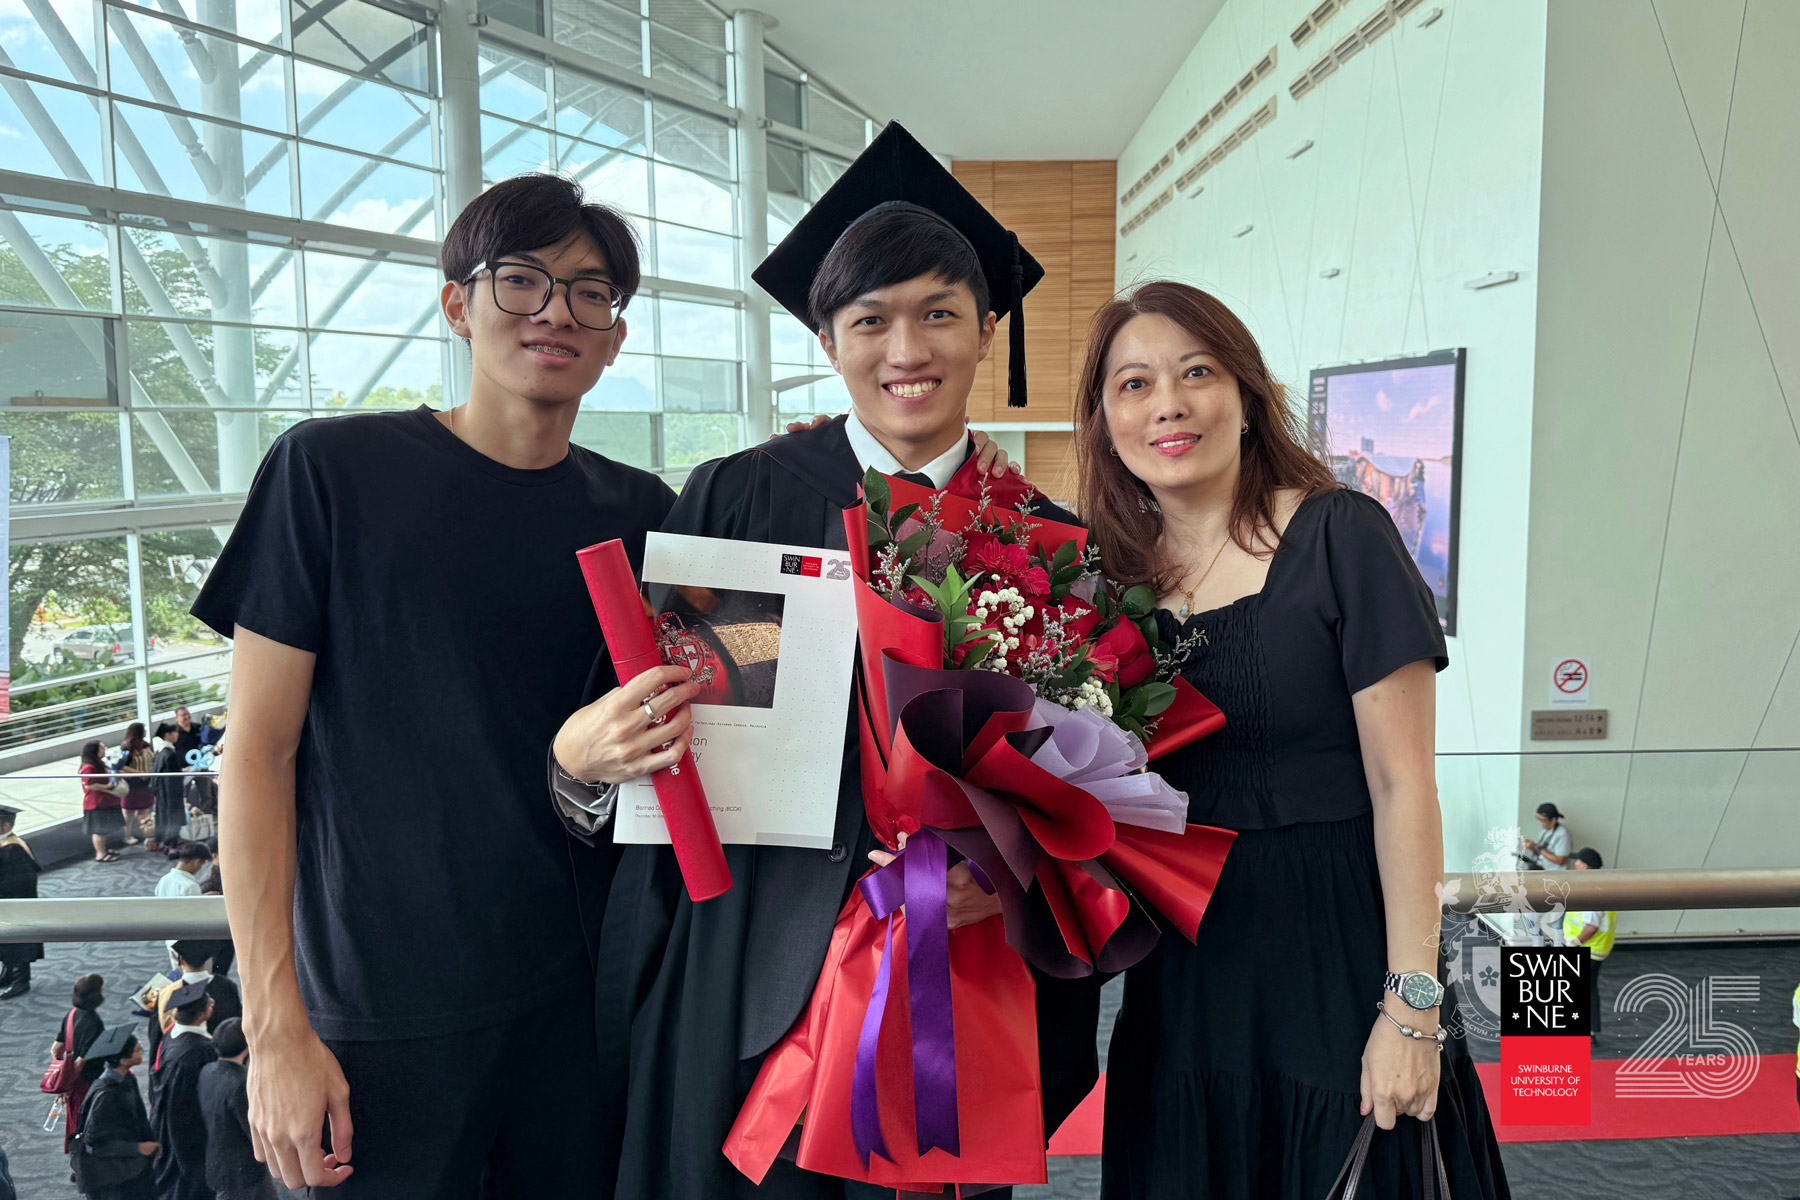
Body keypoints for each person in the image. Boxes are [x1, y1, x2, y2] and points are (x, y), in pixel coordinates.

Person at [550, 121, 1077, 1200]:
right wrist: (586, 759)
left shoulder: (1050, 538)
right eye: (870, 320)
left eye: (939, 314)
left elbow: (1090, 789)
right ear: (827, 342)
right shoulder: (737, 496)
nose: (906, 350)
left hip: (961, 977)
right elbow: (639, 731)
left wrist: (1016, 873)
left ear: (987, 329)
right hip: (749, 964)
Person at [188, 172, 677, 1198]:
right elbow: (257, 755)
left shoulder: (637, 513)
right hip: (378, 1016)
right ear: (457, 302)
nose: (556, 312)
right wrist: (275, 1028)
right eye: (522, 281)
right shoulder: (332, 473)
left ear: (616, 336)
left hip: (577, 1007)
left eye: (591, 293)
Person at [1069, 281, 1509, 1199]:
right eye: (1134, 384)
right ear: (1106, 416)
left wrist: (1412, 1003)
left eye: (1197, 373)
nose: (1169, 405)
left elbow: (1403, 787)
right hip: (1186, 972)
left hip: (1338, 950)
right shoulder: (1106, 580)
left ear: (1245, 393)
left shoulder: (1340, 535)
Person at [74, 1025, 159, 1199]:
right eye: (136, 1049)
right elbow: (94, 1143)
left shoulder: (126, 1077)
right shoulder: (106, 1096)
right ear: (123, 1059)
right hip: (113, 1178)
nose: (142, 1048)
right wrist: (138, 1148)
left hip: (131, 1168)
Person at [151, 980, 217, 1200]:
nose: (212, 1004)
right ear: (201, 1015)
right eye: (209, 1004)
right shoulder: (198, 1050)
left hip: (167, 1120)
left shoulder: (171, 1036)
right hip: (190, 1128)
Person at [198, 1018, 275, 1200]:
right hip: (243, 1171)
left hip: (216, 1161)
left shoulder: (207, 1070)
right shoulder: (241, 1083)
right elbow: (252, 1128)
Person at [1562, 848, 1616, 1036]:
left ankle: (1586, 1027)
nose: (1575, 864)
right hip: (1597, 948)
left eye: (1577, 861)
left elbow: (1591, 926)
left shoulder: (1592, 890)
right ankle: (1591, 1027)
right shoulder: (1605, 885)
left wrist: (1574, 943)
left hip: (1587, 949)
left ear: (1584, 865)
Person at [53, 974, 109, 1152]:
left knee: (74, 1122)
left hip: (74, 1083)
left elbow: (56, 1048)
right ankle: (83, 1165)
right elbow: (81, 1062)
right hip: (87, 1082)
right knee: (87, 1123)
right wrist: (67, 1084)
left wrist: (61, 1076)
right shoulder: (93, 1022)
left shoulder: (71, 1015)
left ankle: (77, 1161)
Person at [0, 805, 42, 999]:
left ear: (6, 825)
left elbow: (14, 882)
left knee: (17, 942)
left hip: (15, 904)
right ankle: (7, 974)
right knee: (7, 942)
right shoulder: (6, 845)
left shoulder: (13, 849)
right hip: (8, 903)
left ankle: (20, 980)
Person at [1519, 802, 1572, 945]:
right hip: (1543, 879)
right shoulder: (1546, 832)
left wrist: (1536, 847)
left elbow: (1560, 860)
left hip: (1557, 882)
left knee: (1556, 924)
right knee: (1531, 916)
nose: (1541, 823)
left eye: (1542, 820)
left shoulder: (1562, 834)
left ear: (1553, 820)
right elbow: (1544, 853)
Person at [81, 741, 126, 863]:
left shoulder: (100, 763)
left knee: (104, 829)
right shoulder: (89, 767)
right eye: (102, 748)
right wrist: (108, 786)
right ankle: (100, 854)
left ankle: (103, 850)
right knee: (99, 830)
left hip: (105, 801)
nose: (104, 750)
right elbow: (89, 785)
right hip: (97, 803)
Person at [116, 723, 157, 848]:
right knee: (128, 812)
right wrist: (139, 773)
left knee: (143, 810)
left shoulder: (146, 745)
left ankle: (145, 832)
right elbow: (121, 766)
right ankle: (127, 835)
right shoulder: (126, 747)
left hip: (146, 783)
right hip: (132, 784)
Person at [150, 724, 188, 851]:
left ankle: (167, 842)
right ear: (167, 735)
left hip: (162, 793)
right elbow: (173, 777)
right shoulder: (170, 753)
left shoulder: (161, 752)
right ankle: (172, 845)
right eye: (174, 732)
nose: (177, 735)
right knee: (173, 818)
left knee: (164, 817)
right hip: (172, 793)